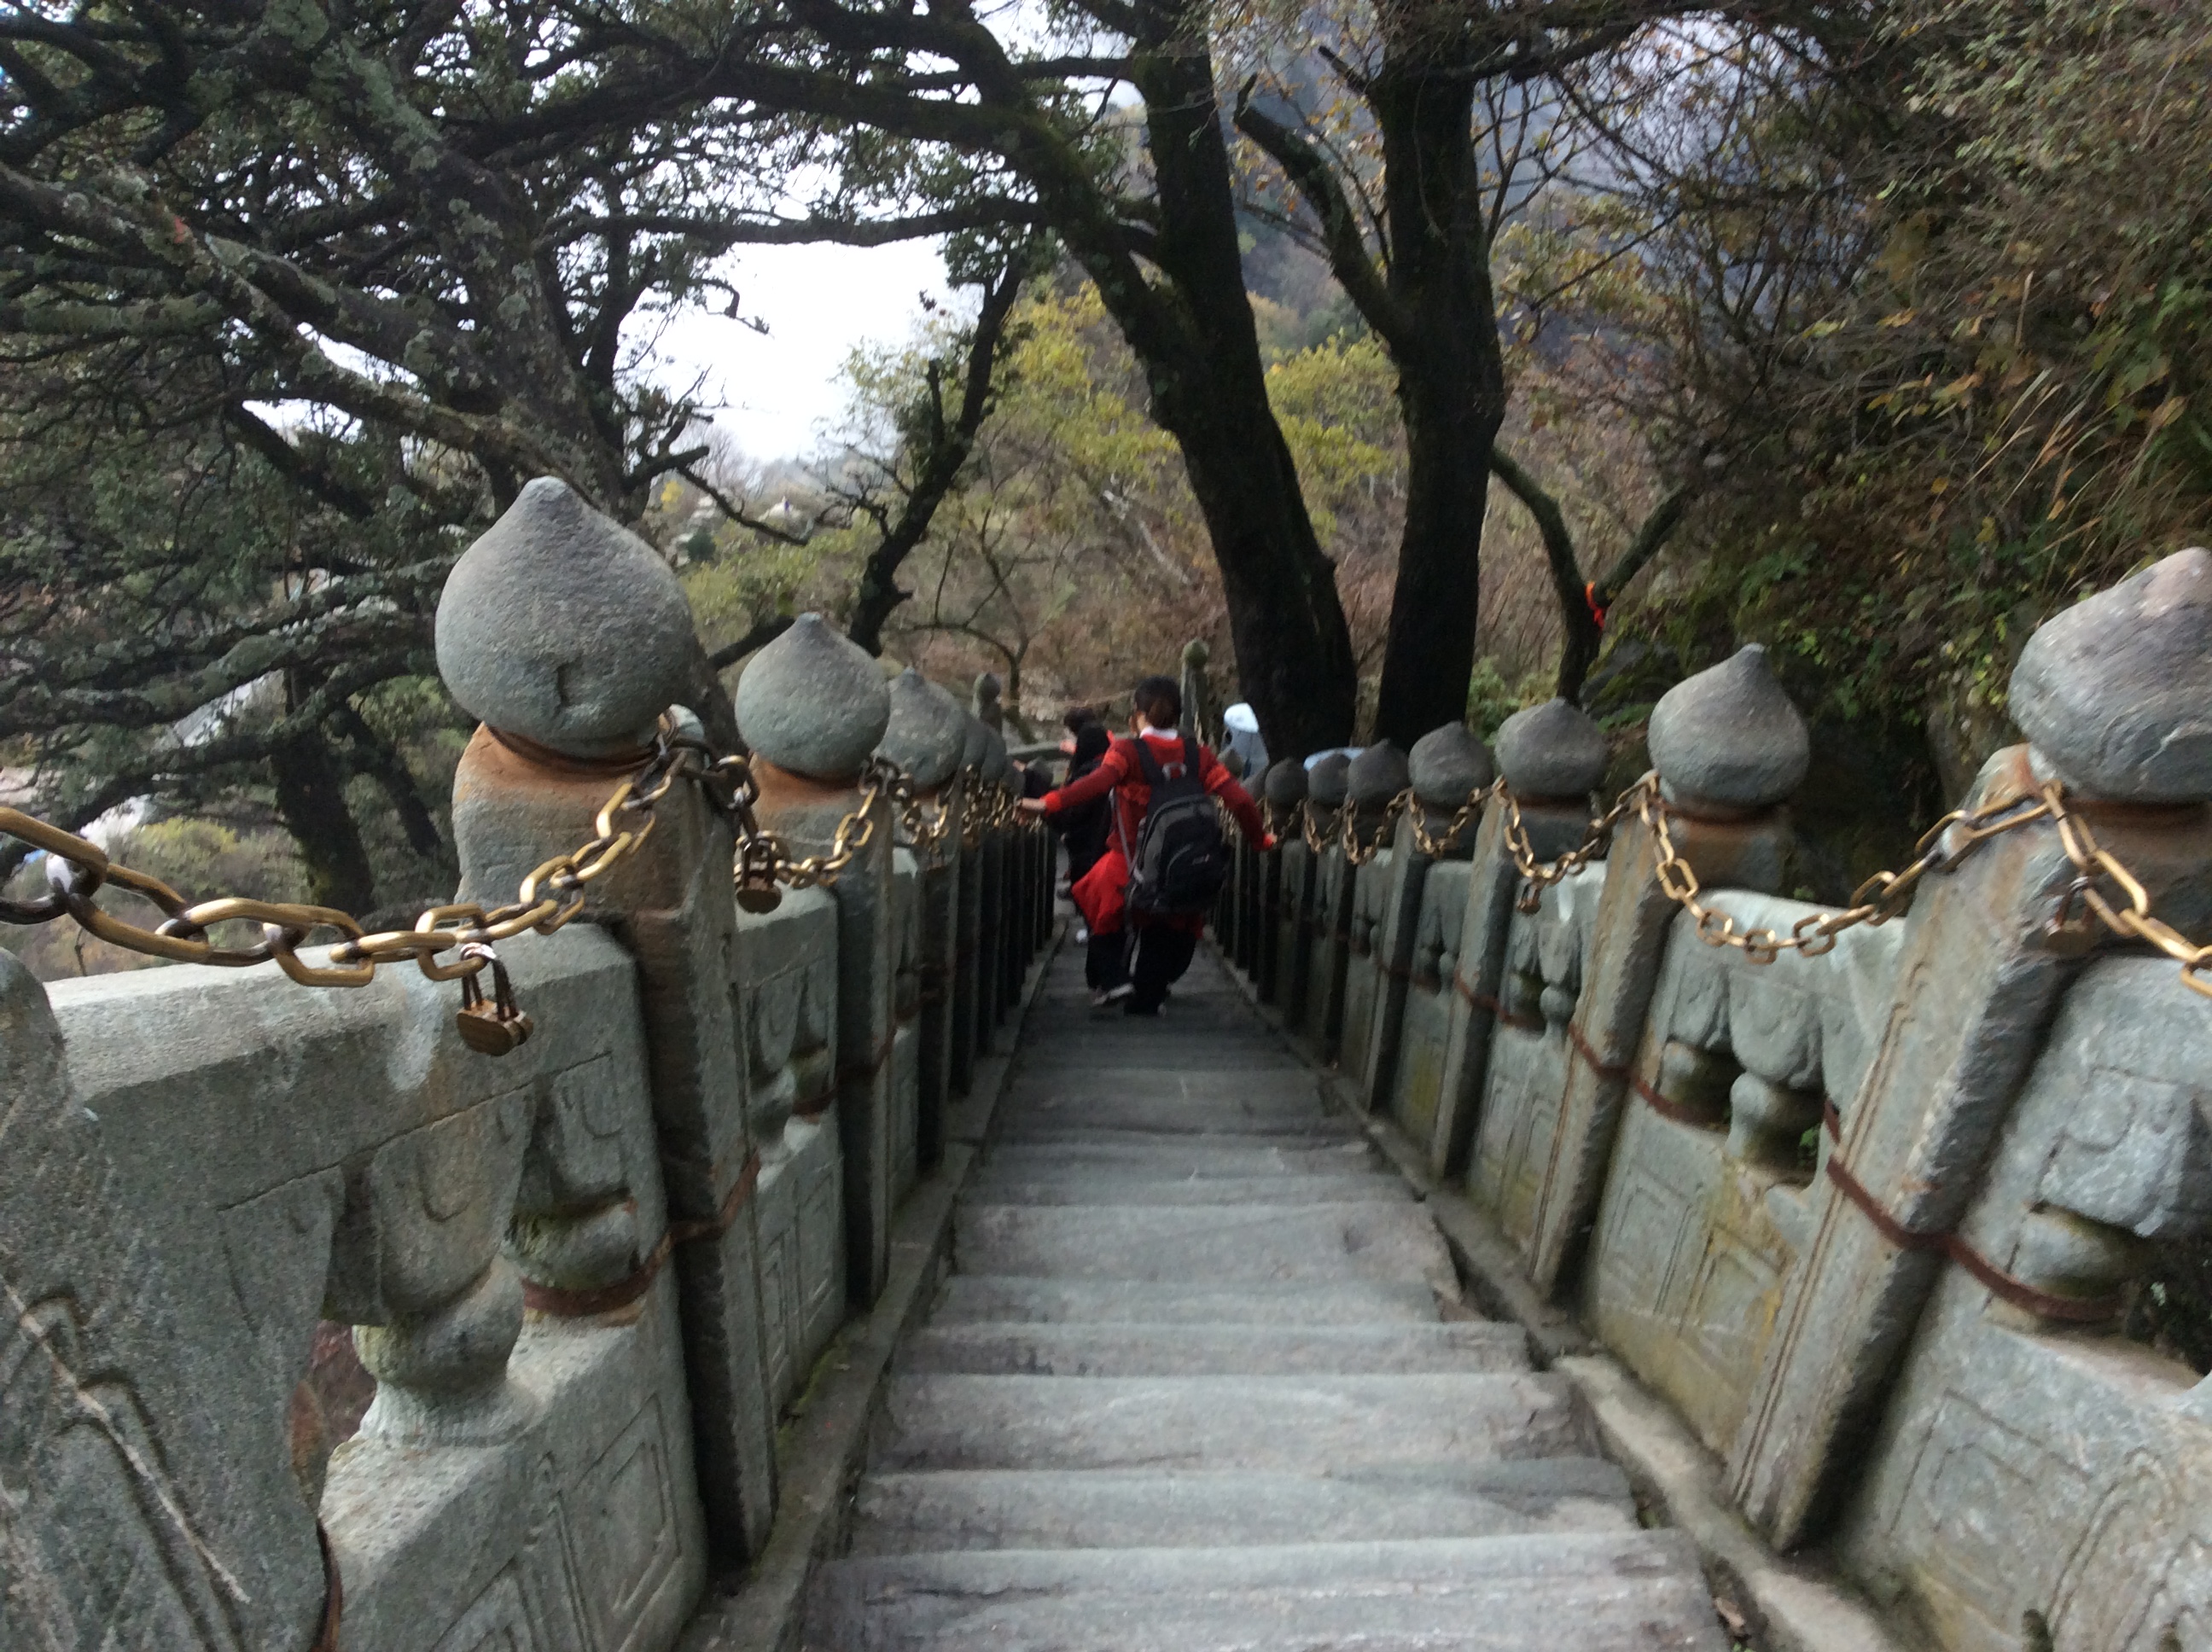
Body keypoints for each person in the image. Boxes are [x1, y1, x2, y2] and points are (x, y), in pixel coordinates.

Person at [1020, 674, 1272, 1015]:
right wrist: (1260, 839)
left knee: (1094, 897)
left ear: (1136, 716)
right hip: (1179, 866)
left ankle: (1113, 979)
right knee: (1167, 923)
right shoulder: (1199, 756)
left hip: (1128, 863)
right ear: (1178, 716)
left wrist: (1048, 802)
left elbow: (1097, 783)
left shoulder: (1127, 752)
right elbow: (1240, 801)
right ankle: (1148, 995)